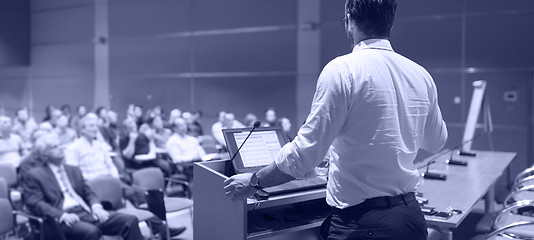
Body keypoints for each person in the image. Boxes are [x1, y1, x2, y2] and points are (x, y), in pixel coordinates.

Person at [223, 1, 448, 239]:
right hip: (410, 219)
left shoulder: (343, 70)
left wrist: (254, 181)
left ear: (349, 20)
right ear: (390, 21)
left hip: (363, 224)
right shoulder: (420, 74)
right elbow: (436, 142)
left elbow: (303, 156)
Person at [22, 133, 144, 240]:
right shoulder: (34, 175)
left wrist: (96, 207)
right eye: (55, 147)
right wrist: (61, 215)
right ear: (44, 154)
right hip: (62, 218)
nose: (61, 148)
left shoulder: (73, 170)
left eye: (60, 145)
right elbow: (36, 203)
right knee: (91, 232)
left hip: (85, 211)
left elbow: (88, 192)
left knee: (129, 220)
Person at [65, 113, 119, 182]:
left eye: (96, 126)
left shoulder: (101, 146)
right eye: (91, 126)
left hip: (108, 181)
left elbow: (111, 165)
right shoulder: (73, 148)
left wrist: (116, 179)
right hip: (90, 184)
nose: (95, 129)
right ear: (82, 130)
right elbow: (74, 174)